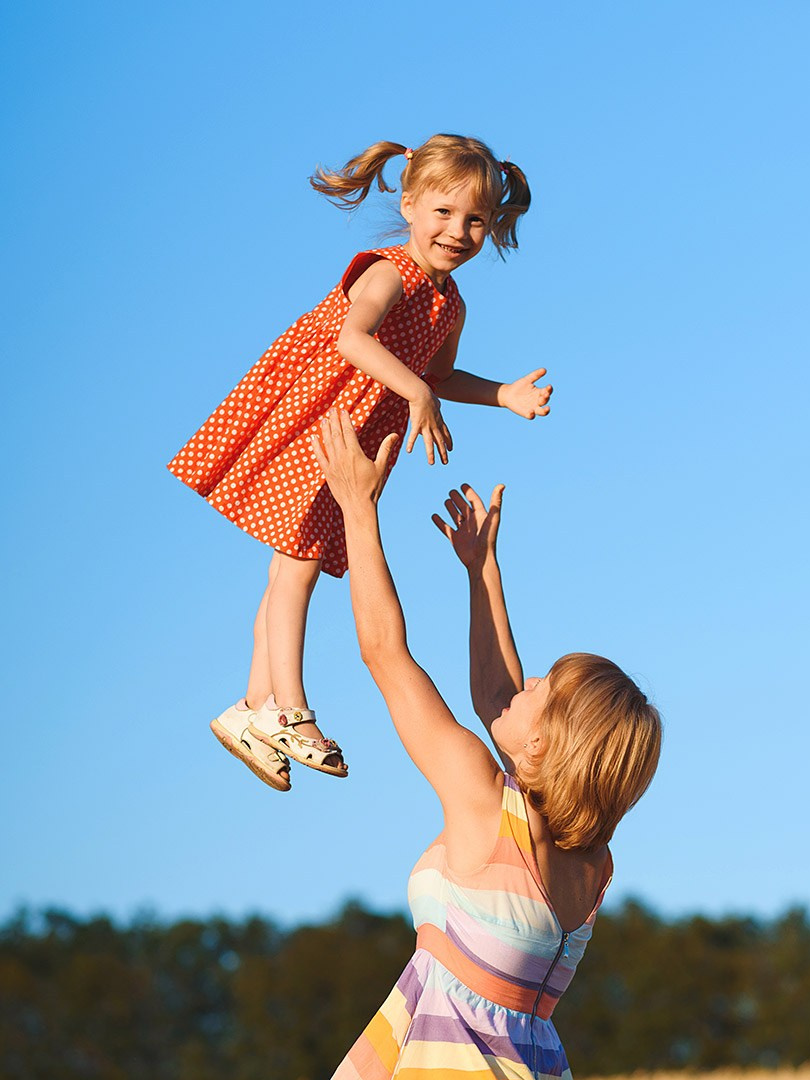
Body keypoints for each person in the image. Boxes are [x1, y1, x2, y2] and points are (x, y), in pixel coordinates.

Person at [231, 411, 663, 1080]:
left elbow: (386, 655)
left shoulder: (484, 803)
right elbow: (495, 703)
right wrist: (484, 575)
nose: (515, 696)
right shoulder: (585, 857)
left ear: (550, 742)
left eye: (540, 697)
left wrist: (357, 512)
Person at [167, 134, 552, 792]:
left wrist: (501, 396)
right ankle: (287, 708)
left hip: (357, 432)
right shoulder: (387, 270)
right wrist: (415, 392)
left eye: (475, 221)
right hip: (318, 418)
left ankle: (250, 706)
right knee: (298, 567)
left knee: (295, 561)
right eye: (443, 213)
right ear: (407, 205)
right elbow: (352, 335)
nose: (458, 231)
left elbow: (441, 372)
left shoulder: (450, 303)